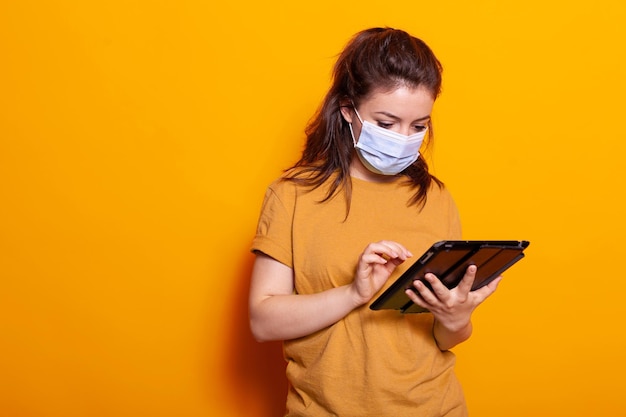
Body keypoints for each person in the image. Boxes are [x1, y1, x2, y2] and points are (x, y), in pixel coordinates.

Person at [248, 27, 501, 417]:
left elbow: (446, 338)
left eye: (419, 127)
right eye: (386, 122)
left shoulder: (435, 197)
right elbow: (263, 321)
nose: (404, 138)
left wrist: (457, 317)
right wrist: (353, 293)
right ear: (348, 111)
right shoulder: (292, 195)